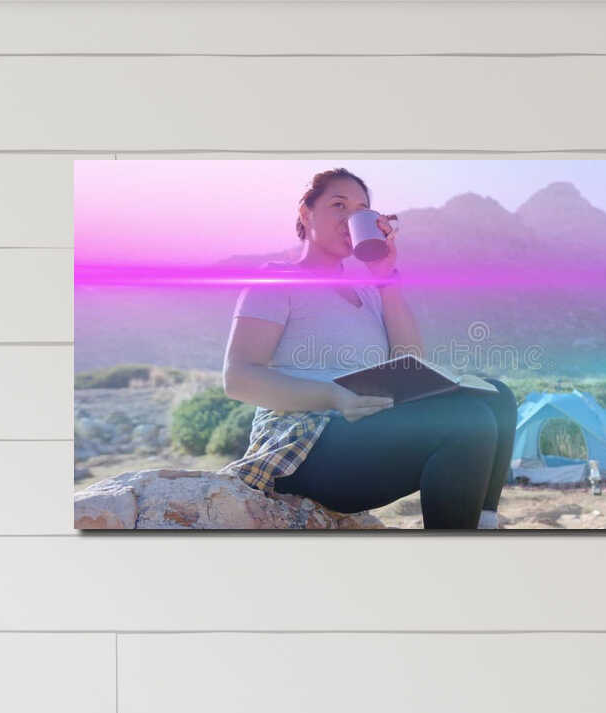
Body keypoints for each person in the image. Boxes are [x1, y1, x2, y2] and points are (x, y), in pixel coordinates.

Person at [220, 167, 516, 529]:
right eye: (339, 205)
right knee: (468, 420)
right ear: (306, 213)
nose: (350, 218)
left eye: (361, 211)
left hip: (365, 430)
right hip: (304, 443)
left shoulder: (369, 293)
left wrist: (384, 276)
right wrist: (334, 396)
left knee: (497, 397)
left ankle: (484, 525)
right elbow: (238, 378)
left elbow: (409, 363)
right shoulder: (277, 280)